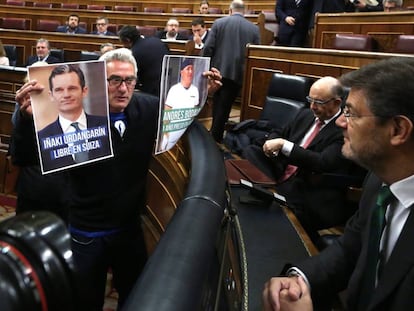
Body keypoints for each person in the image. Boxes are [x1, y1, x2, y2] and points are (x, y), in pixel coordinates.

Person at [14, 48, 222, 311]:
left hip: (129, 230)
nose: (123, 88)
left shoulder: (147, 108)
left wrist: (207, 94)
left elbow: (184, 120)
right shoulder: (70, 113)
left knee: (134, 298)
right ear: (98, 82)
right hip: (84, 231)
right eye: (114, 80)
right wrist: (24, 119)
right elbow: (23, 157)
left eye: (130, 81)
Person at [262, 57, 414, 311]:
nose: (341, 123)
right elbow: (351, 247)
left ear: (398, 129)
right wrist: (301, 278)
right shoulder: (379, 181)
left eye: (351, 113)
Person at [243, 77, 364, 242]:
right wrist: (271, 143)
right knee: (250, 152)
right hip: (280, 172)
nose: (312, 106)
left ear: (336, 103)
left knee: (272, 213)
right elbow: (279, 132)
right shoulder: (305, 114)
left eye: (318, 102)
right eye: (310, 100)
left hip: (309, 186)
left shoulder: (342, 129)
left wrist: (284, 145)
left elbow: (322, 162)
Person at [10, 61, 69, 222]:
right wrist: (27, 118)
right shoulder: (23, 112)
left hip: (64, 195)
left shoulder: (66, 111)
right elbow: (17, 156)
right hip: (33, 189)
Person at [203, 0, 260, 143]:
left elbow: (208, 47)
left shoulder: (219, 23)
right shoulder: (254, 29)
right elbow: (257, 54)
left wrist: (202, 68)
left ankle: (214, 136)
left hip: (218, 71)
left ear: (230, 10)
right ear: (244, 12)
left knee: (219, 103)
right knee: (225, 105)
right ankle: (215, 134)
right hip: (239, 74)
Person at [36, 64, 111, 173]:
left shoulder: (106, 125)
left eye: (72, 88)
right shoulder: (41, 137)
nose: (66, 95)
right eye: (59, 90)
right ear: (51, 95)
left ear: (84, 91)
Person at [161, 58, 200, 151]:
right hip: (172, 133)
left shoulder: (195, 90)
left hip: (187, 133)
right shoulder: (174, 89)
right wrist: (166, 134)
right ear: (181, 72)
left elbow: (194, 114)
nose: (190, 72)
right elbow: (167, 112)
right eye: (188, 69)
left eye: (192, 69)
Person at [119, 25, 169, 97]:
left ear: (127, 40)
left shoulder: (134, 53)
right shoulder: (156, 40)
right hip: (168, 85)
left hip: (151, 92)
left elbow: (134, 75)